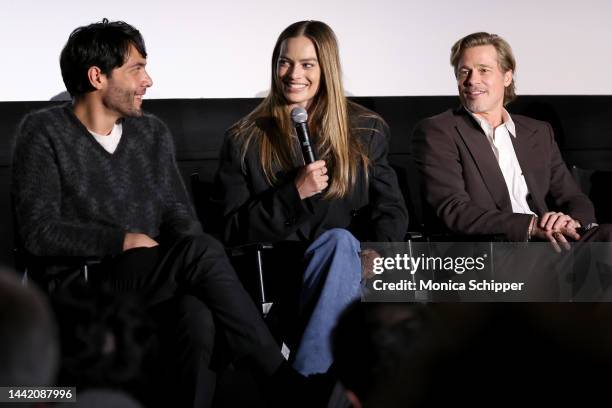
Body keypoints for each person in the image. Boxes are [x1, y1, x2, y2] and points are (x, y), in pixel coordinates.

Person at [11, 18, 306, 408]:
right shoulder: (43, 132)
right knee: (199, 253)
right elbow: (39, 231)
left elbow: (180, 217)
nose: (147, 80)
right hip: (84, 283)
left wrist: (182, 265)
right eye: (137, 69)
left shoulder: (150, 133)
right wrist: (121, 240)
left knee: (196, 312)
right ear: (97, 76)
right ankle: (283, 381)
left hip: (151, 274)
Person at [214, 20, 408, 375]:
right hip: (283, 271)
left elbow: (390, 208)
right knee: (336, 244)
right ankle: (313, 382)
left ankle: (303, 386)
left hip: (356, 267)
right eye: (285, 62)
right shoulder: (244, 138)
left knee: (341, 245)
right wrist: (293, 195)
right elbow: (232, 228)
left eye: (307, 65)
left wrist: (378, 251)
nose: (293, 74)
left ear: (326, 69)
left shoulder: (366, 129)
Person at [412, 32, 611, 246]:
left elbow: (574, 198)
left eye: (483, 70)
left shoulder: (539, 131)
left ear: (507, 76)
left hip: (553, 245)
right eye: (464, 72)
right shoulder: (438, 131)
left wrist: (571, 221)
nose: (471, 80)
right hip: (493, 252)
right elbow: (455, 210)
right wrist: (531, 226)